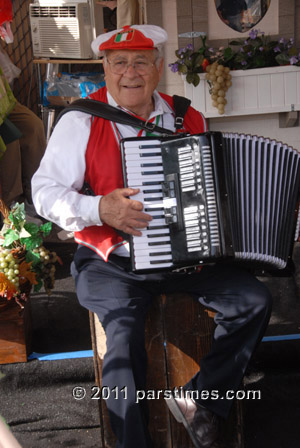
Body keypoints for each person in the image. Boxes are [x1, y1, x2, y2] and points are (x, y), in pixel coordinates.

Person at [32, 24, 272, 448]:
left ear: (158, 68)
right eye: (119, 62)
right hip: (113, 262)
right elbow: (44, 194)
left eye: (141, 61)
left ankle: (201, 402)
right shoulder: (82, 119)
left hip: (184, 257)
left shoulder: (186, 116)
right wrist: (99, 207)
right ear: (104, 69)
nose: (130, 72)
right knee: (122, 343)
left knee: (253, 301)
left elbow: (215, 187)